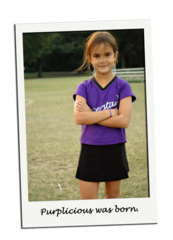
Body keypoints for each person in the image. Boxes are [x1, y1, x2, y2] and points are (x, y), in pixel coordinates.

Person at [72, 31, 136, 199]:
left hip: (114, 148)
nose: (102, 60)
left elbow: (124, 121)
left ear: (115, 56)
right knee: (88, 203)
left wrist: (92, 115)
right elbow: (79, 118)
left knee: (112, 200)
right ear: (90, 57)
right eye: (96, 55)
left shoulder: (123, 87)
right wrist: (109, 112)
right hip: (89, 149)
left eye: (107, 54)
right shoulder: (83, 87)